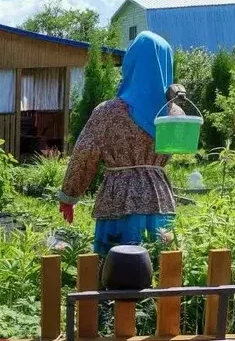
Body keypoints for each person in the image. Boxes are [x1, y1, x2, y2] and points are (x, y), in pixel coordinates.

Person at [57, 31, 182, 256]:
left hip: (119, 196)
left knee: (117, 265)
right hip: (159, 196)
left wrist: (69, 195)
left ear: (131, 64)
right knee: (161, 262)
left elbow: (85, 153)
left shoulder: (109, 112)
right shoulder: (174, 113)